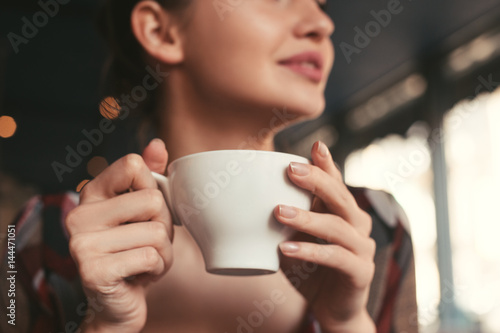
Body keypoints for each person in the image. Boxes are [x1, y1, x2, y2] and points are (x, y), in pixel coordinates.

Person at [1, 0, 418, 332]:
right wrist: (105, 325)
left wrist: (346, 324)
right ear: (160, 31)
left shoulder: (375, 230)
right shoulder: (35, 234)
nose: (321, 24)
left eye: (321, 3)